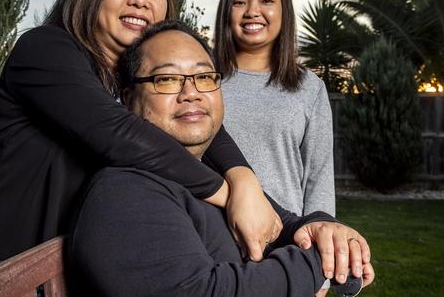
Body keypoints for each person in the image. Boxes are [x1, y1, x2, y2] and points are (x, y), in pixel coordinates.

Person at [0, 0, 281, 287]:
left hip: (74, 274)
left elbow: (206, 124)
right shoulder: (45, 49)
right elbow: (118, 134)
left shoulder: (136, 78)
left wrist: (245, 181)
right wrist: (229, 196)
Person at [69, 20, 374, 296]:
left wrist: (327, 231)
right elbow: (208, 292)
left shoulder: (213, 178)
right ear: (128, 98)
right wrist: (319, 259)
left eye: (204, 76)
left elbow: (289, 227)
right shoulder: (126, 191)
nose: (192, 92)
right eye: (167, 79)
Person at [214, 0, 335, 216]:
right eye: (239, 2)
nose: (252, 11)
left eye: (266, 1)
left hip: (284, 238)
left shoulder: (309, 88)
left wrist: (319, 235)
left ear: (284, 11)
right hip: (209, 232)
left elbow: (318, 178)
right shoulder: (201, 79)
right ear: (226, 11)